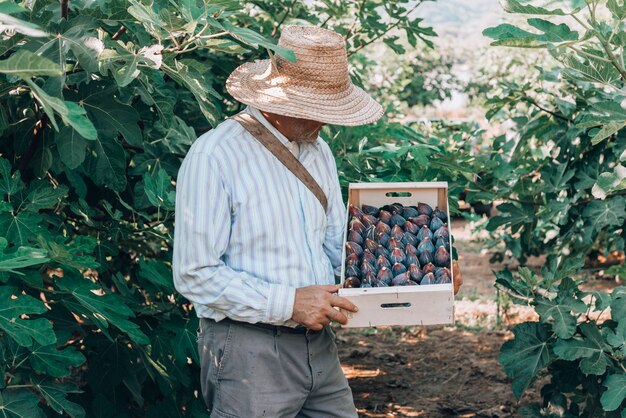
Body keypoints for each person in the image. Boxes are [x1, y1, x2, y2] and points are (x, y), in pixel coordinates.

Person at [173, 24, 463, 418]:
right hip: (247, 349)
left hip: (318, 346)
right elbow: (194, 273)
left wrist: (427, 281)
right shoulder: (214, 156)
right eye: (317, 109)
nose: (324, 122)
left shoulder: (318, 151)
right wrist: (288, 303)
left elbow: (335, 250)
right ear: (277, 100)